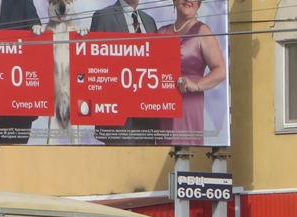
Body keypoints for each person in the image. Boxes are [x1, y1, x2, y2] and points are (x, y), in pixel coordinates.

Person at [90, 0, 160, 144]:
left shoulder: (149, 21)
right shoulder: (103, 16)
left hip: (148, 119)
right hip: (118, 120)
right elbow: (93, 64)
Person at [157, 0, 226, 145]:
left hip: (187, 105)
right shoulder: (161, 32)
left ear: (199, 4)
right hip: (161, 106)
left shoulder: (202, 31)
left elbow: (220, 71)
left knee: (184, 151)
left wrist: (197, 85)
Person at [0, 0, 41, 144]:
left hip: (16, 100)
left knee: (16, 157)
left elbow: (37, 35)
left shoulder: (22, 3)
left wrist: (36, 29)